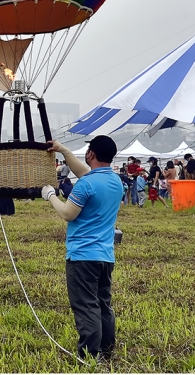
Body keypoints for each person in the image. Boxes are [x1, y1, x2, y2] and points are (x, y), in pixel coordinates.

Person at [43, 136, 123, 362]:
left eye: (88, 151)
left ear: (91, 154)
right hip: (105, 256)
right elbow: (85, 173)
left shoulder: (86, 184)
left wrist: (50, 195)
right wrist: (63, 150)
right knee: (103, 304)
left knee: (86, 306)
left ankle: (88, 356)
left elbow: (68, 213)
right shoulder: (115, 181)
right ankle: (106, 351)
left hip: (82, 257)